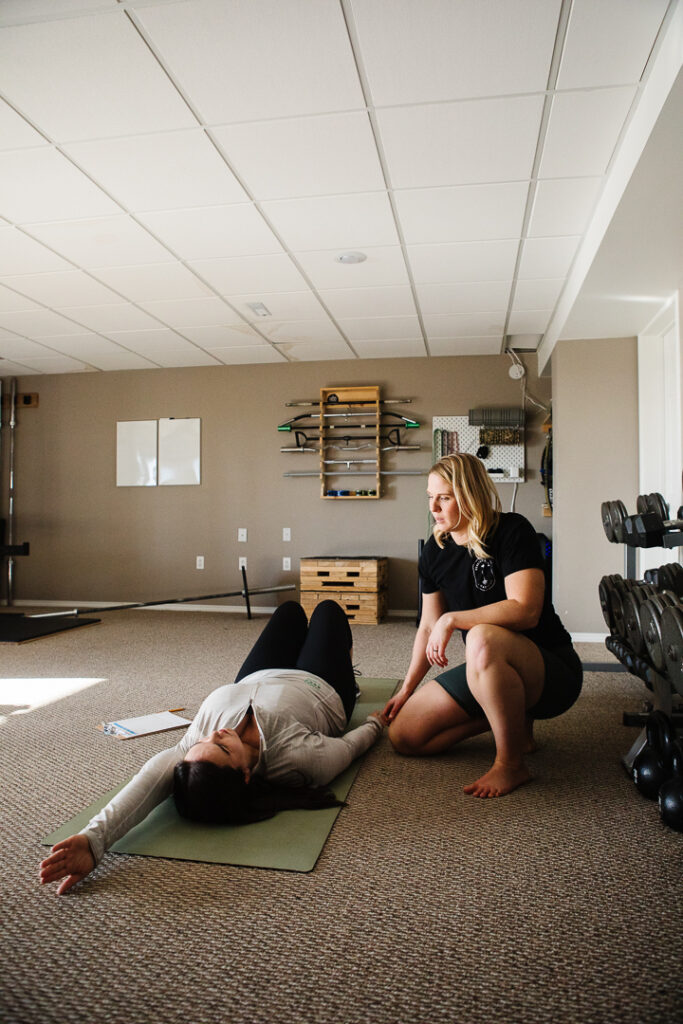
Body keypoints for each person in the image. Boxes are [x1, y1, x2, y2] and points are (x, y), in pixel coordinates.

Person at [40, 600, 387, 894]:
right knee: (328, 610)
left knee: (290, 612)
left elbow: (145, 785)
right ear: (245, 774)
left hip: (256, 677)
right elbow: (350, 747)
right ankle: (349, 676)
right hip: (321, 686)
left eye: (205, 740)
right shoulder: (299, 760)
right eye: (221, 747)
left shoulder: (194, 747)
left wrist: (93, 840)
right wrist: (376, 723)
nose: (214, 733)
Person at [384, 453, 582, 798]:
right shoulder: (436, 549)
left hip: (551, 670)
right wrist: (406, 689)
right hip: (490, 667)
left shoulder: (511, 530)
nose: (434, 507)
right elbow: (429, 626)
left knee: (481, 636)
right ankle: (514, 720)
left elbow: (526, 610)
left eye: (444, 497)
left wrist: (455, 618)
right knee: (406, 736)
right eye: (430, 497)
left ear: (469, 493)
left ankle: (510, 763)